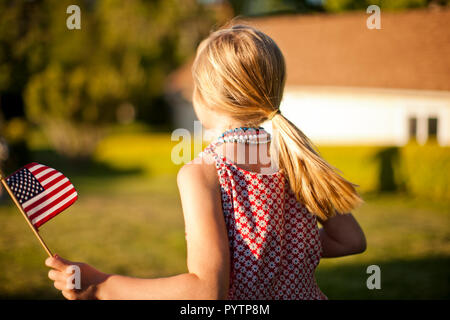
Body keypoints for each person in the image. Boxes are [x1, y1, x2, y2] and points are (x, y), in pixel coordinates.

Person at [45, 24, 366, 300]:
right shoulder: (294, 156)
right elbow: (349, 239)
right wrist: (279, 255)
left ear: (205, 97)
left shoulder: (203, 173)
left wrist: (102, 285)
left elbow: (206, 292)